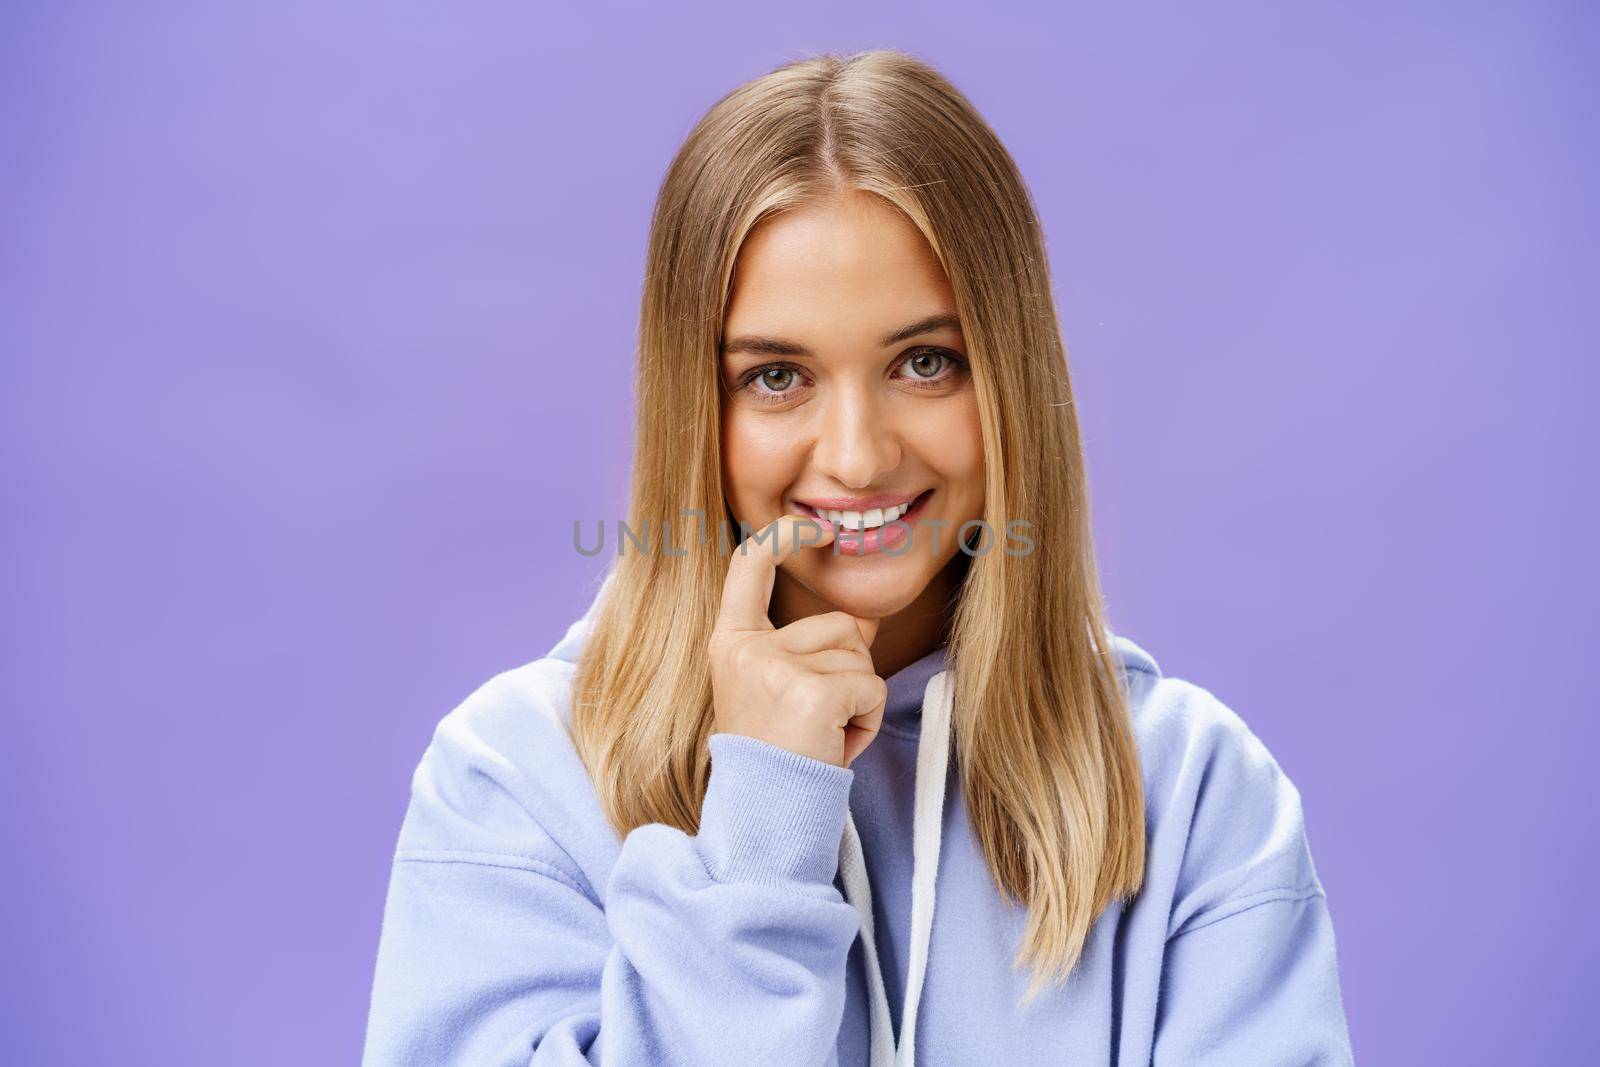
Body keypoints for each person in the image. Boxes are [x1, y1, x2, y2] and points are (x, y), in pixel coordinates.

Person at [361, 48, 1354, 1066]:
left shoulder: (1190, 791)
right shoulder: (515, 780)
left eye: (925, 362)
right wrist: (761, 824)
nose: (857, 456)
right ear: (695, 407)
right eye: (777, 376)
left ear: (1010, 377)